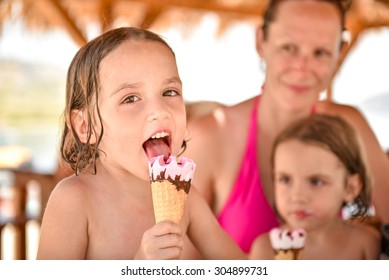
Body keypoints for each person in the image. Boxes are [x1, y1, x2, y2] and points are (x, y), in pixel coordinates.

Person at [183, 0, 389, 256]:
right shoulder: (208, 137)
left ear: (340, 52)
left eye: (320, 52)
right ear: (261, 41)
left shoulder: (351, 126)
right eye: (289, 48)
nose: (302, 67)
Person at [36, 27, 246, 260]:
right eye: (130, 98)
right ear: (87, 126)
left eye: (169, 92)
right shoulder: (73, 201)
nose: (159, 111)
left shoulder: (187, 198)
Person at [250, 114, 381, 259]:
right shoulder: (266, 250)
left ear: (350, 188)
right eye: (285, 179)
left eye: (316, 181)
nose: (297, 196)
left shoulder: (367, 244)